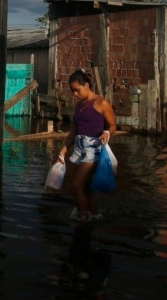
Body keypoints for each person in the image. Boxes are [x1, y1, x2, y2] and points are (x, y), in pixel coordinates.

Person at [56, 69, 117, 222]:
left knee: (76, 185)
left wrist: (107, 134)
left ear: (87, 85)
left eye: (77, 90)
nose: (74, 94)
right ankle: (94, 215)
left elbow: (113, 125)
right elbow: (74, 130)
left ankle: (82, 218)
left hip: (93, 149)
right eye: (72, 91)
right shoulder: (80, 105)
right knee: (87, 187)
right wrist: (63, 151)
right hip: (79, 148)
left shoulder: (102, 103)